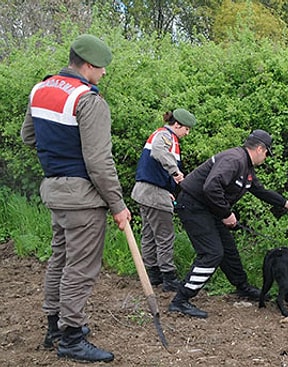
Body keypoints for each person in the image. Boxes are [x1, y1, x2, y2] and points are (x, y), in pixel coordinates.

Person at [20, 34, 131, 363]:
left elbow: (28, 136)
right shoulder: (88, 100)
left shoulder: (41, 90)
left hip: (54, 192)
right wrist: (118, 205)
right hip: (82, 198)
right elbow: (99, 163)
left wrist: (59, 149)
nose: (104, 74)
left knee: (60, 261)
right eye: (102, 68)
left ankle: (54, 326)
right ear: (87, 65)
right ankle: (71, 336)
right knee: (81, 269)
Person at [168, 129, 288, 318]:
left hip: (209, 209)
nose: (266, 158)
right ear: (259, 148)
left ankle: (242, 287)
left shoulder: (246, 167)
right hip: (193, 206)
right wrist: (226, 214)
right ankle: (181, 299)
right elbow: (211, 186)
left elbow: (259, 190)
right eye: (266, 153)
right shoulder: (234, 160)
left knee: (228, 249)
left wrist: (284, 202)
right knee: (212, 253)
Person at [132, 109, 196, 292]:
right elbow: (159, 152)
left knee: (149, 234)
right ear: (177, 125)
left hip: (145, 191)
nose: (187, 133)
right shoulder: (165, 136)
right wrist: (175, 172)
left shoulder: (160, 134)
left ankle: (152, 274)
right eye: (186, 129)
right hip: (153, 193)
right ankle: (169, 278)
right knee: (165, 236)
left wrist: (166, 189)